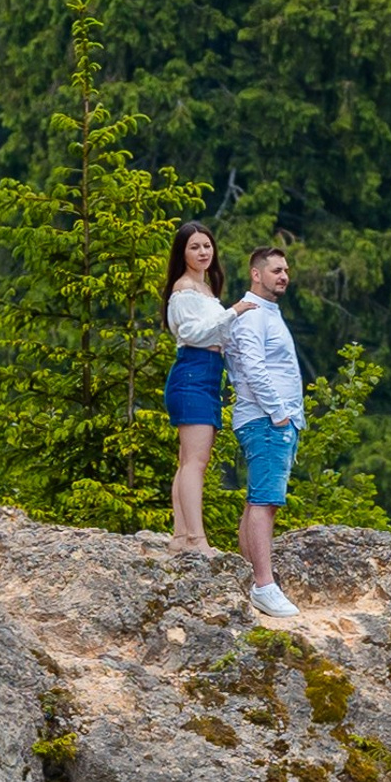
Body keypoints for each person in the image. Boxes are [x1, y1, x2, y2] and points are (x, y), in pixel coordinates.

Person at [161, 219, 250, 552]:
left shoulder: (206, 290)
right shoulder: (184, 289)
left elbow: (215, 334)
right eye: (194, 247)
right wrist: (233, 312)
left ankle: (182, 535)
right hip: (192, 374)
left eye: (206, 245)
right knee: (195, 462)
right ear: (182, 253)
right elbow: (192, 335)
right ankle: (196, 538)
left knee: (188, 461)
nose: (202, 252)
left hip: (207, 375)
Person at [228, 245, 304, 617]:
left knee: (257, 498)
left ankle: (252, 578)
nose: (283, 276)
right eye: (276, 270)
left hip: (269, 420)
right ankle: (264, 585)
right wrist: (279, 415)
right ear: (256, 274)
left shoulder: (267, 313)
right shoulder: (253, 315)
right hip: (266, 420)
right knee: (265, 502)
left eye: (286, 270)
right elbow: (253, 368)